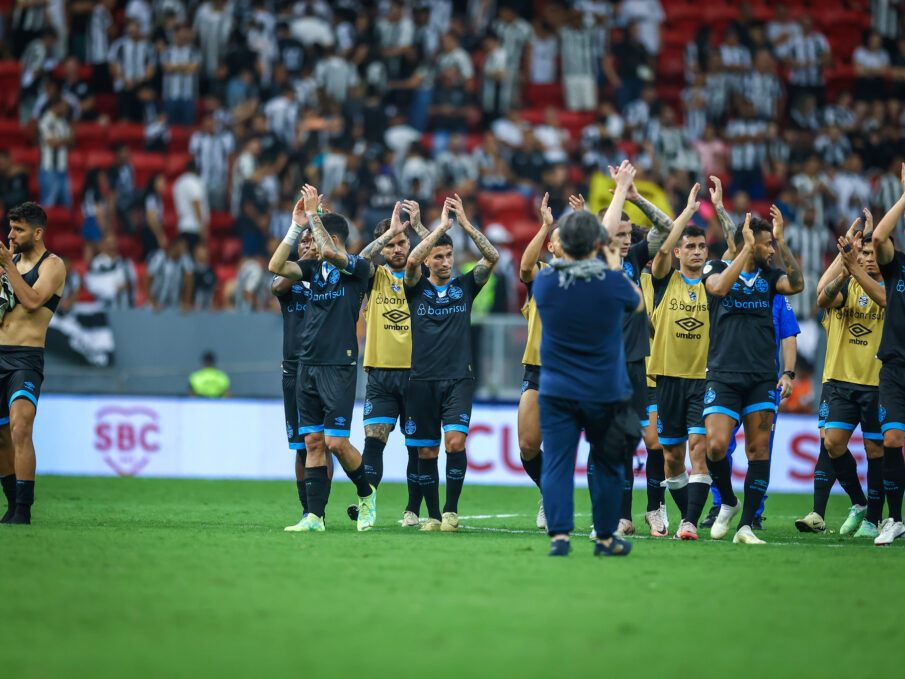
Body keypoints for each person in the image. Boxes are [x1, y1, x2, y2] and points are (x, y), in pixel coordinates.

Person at [534, 209, 644, 557]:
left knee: (556, 464)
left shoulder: (545, 282)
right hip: (604, 391)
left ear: (562, 243)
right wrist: (613, 267)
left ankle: (559, 538)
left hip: (556, 390)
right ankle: (605, 539)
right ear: (599, 243)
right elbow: (638, 303)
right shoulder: (612, 282)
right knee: (608, 464)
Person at [268, 186, 376, 532]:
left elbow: (330, 253)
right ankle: (314, 516)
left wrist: (314, 216)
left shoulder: (358, 268)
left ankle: (367, 494)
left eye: (315, 238)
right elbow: (275, 266)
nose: (311, 246)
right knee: (312, 442)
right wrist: (297, 225)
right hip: (307, 364)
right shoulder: (313, 271)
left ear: (330, 236)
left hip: (339, 366)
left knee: (336, 443)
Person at [701, 205, 804, 545]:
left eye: (772, 244)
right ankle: (728, 501)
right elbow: (717, 289)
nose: (771, 249)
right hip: (723, 375)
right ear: (748, 244)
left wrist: (783, 240)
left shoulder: (771, 278)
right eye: (767, 244)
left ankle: (745, 525)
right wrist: (744, 248)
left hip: (761, 378)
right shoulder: (715, 267)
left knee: (759, 453)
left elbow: (799, 284)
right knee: (715, 447)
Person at [402, 194, 499, 532]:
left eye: (449, 255)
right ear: (429, 260)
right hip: (421, 380)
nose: (445, 262)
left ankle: (450, 512)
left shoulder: (465, 286)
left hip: (459, 378)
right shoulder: (415, 289)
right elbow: (411, 262)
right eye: (439, 256)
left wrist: (466, 226)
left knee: (455, 443)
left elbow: (493, 256)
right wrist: (438, 227)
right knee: (426, 453)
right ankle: (430, 515)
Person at [796, 220, 886, 537]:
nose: (867, 257)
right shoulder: (844, 287)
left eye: (873, 252)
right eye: (862, 252)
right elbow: (821, 293)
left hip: (876, 383)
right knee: (831, 443)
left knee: (877, 452)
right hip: (837, 382)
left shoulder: (888, 289)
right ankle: (857, 503)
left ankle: (874, 518)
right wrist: (845, 254)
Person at [354, 200, 431, 528]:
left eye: (403, 242)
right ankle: (367, 505)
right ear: (383, 248)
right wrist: (389, 234)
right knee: (375, 439)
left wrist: (418, 228)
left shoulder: (421, 275)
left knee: (415, 446)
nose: (398, 248)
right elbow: (360, 259)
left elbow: (436, 252)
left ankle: (412, 510)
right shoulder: (373, 277)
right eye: (392, 243)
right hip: (381, 373)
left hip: (417, 374)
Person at [605, 162, 672, 536]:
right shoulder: (596, 259)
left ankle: (654, 508)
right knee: (618, 440)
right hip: (605, 364)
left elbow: (666, 229)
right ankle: (622, 514)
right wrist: (618, 194)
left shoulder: (632, 259)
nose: (628, 238)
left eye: (630, 233)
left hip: (638, 363)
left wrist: (636, 196)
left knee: (651, 440)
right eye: (622, 231)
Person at [646, 183, 710, 540]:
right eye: (690, 246)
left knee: (698, 449)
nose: (697, 252)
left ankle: (689, 521)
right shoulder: (663, 280)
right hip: (666, 378)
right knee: (672, 457)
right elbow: (663, 247)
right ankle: (688, 513)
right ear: (679, 252)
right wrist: (687, 211)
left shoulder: (715, 283)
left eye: (702, 246)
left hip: (702, 379)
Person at [0, 202, 66, 524]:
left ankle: (23, 510)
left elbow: (30, 302)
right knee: (0, 438)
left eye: (18, 230)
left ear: (38, 233)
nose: (10, 235)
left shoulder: (52, 265)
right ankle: (11, 506)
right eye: (10, 228)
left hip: (25, 359)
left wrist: (6, 268)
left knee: (20, 427)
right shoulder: (8, 262)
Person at [272, 223, 333, 530]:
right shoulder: (291, 281)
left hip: (326, 367)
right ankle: (307, 509)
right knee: (301, 445)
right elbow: (276, 287)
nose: (308, 245)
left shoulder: (331, 280)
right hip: (294, 370)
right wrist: (304, 259)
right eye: (303, 241)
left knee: (324, 441)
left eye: (313, 240)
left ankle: (319, 510)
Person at [517, 193, 563, 530]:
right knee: (528, 445)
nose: (556, 243)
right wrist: (545, 225)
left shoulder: (586, 276)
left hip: (571, 372)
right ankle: (549, 494)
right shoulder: (542, 276)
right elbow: (524, 267)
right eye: (553, 240)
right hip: (537, 370)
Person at [869, 163, 905, 545]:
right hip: (895, 367)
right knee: (892, 439)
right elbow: (878, 236)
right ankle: (894, 520)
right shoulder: (898, 267)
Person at [173, 160, 209, 252]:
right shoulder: (194, 182)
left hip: (183, 224)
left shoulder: (178, 182)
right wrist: (202, 226)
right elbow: (196, 203)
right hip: (194, 226)